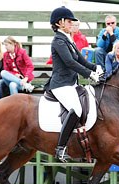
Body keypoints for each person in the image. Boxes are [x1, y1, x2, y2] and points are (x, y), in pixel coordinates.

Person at [47, 6, 101, 162]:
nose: (71, 24)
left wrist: (95, 67)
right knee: (76, 109)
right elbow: (70, 62)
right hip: (61, 84)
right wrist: (90, 74)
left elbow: (80, 59)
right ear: (59, 23)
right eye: (69, 21)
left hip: (71, 83)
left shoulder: (68, 39)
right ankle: (60, 148)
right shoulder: (58, 40)